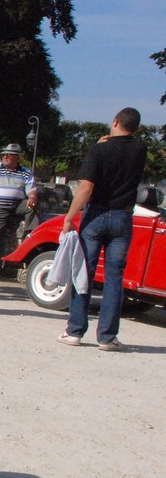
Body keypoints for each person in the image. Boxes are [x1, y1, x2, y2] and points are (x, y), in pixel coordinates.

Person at [57, 107, 148, 351]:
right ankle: (107, 336)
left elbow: (86, 188)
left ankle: (75, 330)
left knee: (83, 273)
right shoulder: (140, 149)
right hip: (122, 216)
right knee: (114, 278)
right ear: (136, 127)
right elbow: (126, 147)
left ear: (115, 120)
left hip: (96, 214)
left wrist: (69, 217)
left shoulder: (99, 150)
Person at [0, 142, 37, 276]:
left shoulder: (25, 173)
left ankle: (30, 234)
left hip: (16, 206)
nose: (5, 156)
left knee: (31, 206)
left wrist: (32, 197)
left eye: (9, 155)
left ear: (17, 157)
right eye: (4, 154)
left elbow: (31, 190)